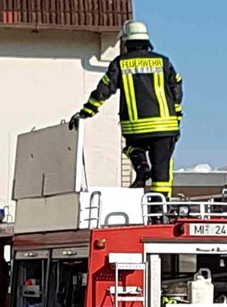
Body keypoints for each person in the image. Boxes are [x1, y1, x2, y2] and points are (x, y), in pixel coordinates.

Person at [70, 20, 183, 198]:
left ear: (126, 42)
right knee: (162, 169)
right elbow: (176, 85)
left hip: (136, 128)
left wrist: (86, 112)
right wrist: (177, 115)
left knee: (133, 148)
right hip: (166, 127)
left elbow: (104, 90)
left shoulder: (121, 63)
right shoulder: (163, 62)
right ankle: (158, 212)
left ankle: (142, 167)